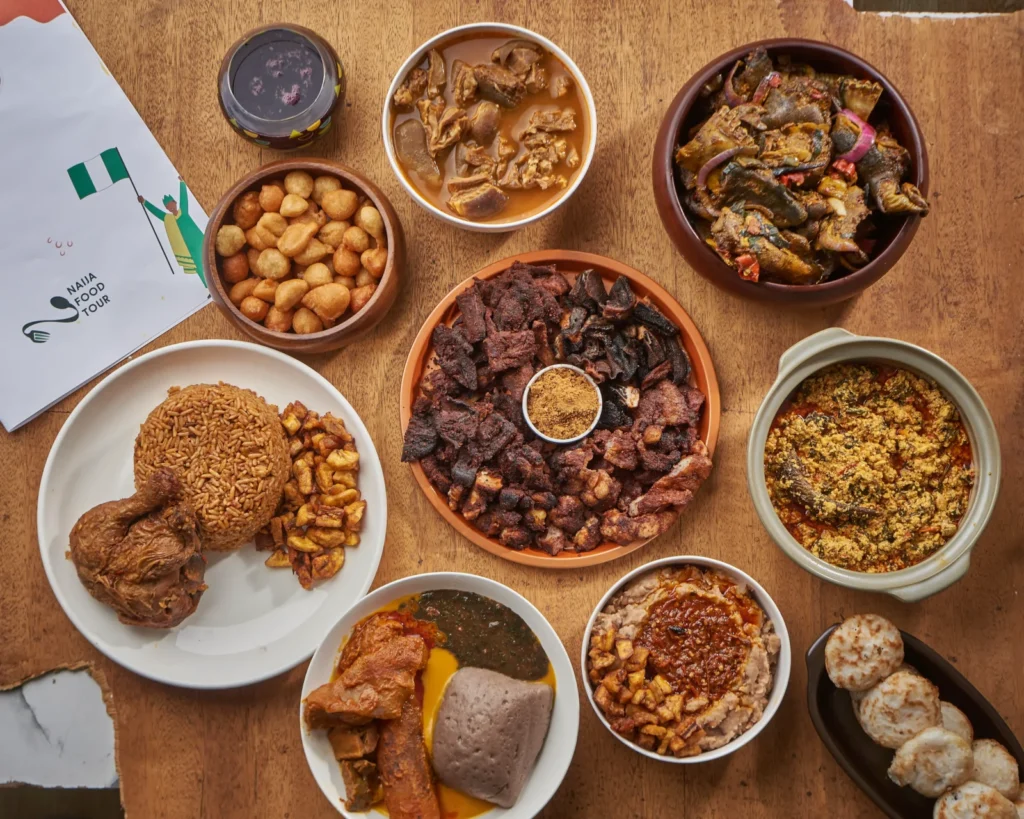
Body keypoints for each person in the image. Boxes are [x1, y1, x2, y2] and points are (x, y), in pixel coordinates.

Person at [139, 176, 205, 285]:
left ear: (175, 203)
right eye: (168, 206)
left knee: (206, 258)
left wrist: (182, 183)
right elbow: (156, 212)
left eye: (171, 204)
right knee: (197, 265)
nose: (171, 207)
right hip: (186, 247)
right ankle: (207, 285)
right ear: (167, 208)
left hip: (196, 240)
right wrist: (145, 202)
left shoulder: (183, 211)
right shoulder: (167, 218)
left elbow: (184, 198)